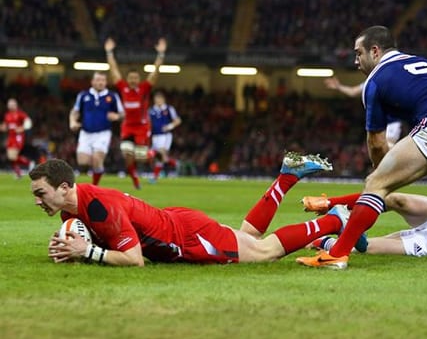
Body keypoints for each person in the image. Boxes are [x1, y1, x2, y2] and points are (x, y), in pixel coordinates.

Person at [297, 25, 427, 270]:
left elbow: (376, 142)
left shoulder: (375, 80)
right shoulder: (426, 62)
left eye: (359, 53)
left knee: (376, 185)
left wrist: (382, 174)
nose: (356, 60)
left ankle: (337, 255)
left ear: (375, 51)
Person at [32, 152, 361, 266]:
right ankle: (287, 177)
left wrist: (87, 253)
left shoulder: (101, 206)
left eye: (41, 192)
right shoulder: (70, 212)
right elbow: (101, 237)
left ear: (63, 188)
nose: (37, 200)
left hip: (186, 237)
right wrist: (68, 246)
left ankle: (332, 221)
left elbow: (133, 260)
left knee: (262, 252)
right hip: (177, 222)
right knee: (247, 236)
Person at [105, 37, 167, 189]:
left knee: (141, 157)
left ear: (139, 79)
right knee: (127, 154)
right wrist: (109, 52)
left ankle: (154, 154)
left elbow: (154, 74)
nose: (133, 80)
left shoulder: (144, 89)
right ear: (127, 79)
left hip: (142, 127)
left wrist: (160, 55)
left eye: (135, 78)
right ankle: (135, 181)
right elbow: (114, 71)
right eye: (130, 78)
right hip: (127, 126)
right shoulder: (123, 88)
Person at [69, 72, 124, 185]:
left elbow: (123, 113)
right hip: (86, 133)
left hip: (103, 133)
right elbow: (75, 111)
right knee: (83, 161)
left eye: (103, 80)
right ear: (92, 82)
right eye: (98, 80)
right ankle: (97, 171)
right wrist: (73, 121)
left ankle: (95, 186)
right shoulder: (83, 95)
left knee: (97, 159)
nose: (100, 82)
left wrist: (117, 116)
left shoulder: (112, 96)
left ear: (106, 82)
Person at [325, 76, 403, 146]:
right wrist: (339, 87)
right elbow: (353, 92)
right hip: (377, 124)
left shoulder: (395, 81)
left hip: (392, 123)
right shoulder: (372, 81)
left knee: (387, 148)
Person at [148, 91, 181, 182]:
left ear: (163, 100)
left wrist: (169, 126)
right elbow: (147, 122)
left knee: (159, 153)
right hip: (155, 136)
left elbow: (178, 120)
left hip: (165, 136)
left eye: (160, 99)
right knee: (161, 157)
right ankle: (175, 163)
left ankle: (155, 177)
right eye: (156, 99)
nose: (158, 101)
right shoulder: (151, 110)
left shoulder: (169, 109)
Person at [1, 98, 34, 178]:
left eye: (12, 104)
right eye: (9, 105)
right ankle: (19, 172)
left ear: (16, 105)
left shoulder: (20, 114)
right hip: (11, 137)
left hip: (18, 137)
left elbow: (29, 122)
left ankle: (29, 163)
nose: (10, 106)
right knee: (10, 156)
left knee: (13, 156)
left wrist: (22, 128)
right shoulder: (7, 115)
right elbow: (5, 127)